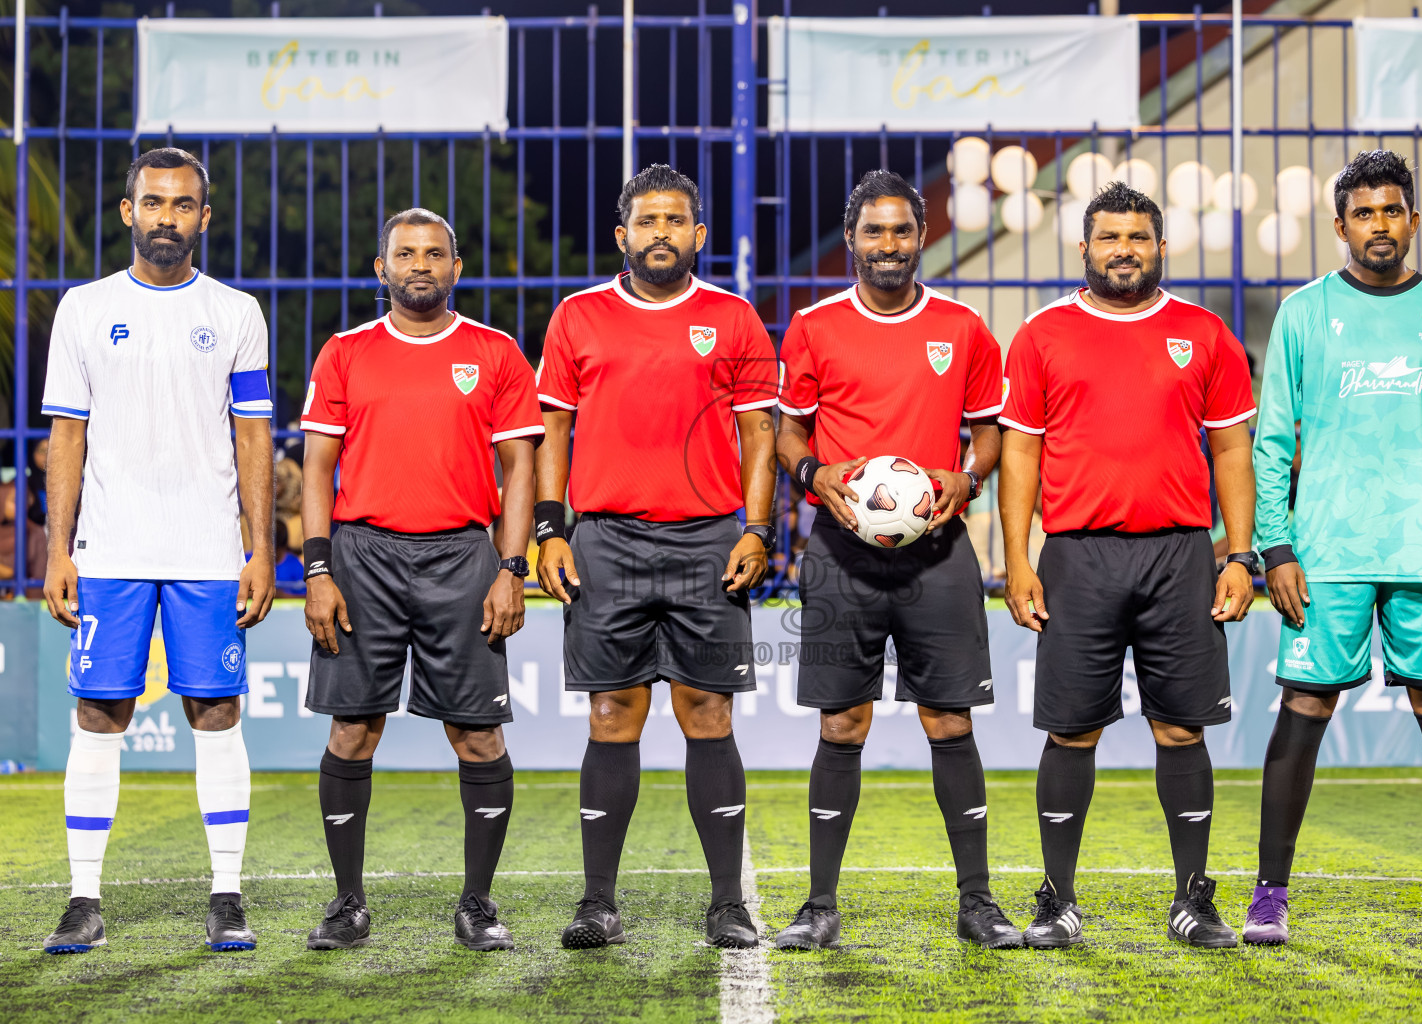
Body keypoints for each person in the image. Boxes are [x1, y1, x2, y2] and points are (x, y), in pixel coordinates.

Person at [1245, 150, 1422, 946]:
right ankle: (1269, 894)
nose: (1379, 225)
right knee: (1305, 705)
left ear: (1413, 220)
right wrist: (1274, 544)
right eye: (1363, 213)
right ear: (1341, 226)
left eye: (1391, 210)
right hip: (1326, 551)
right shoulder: (1304, 313)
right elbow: (1273, 438)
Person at [998, 180, 1258, 950]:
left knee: (1181, 730)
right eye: (1110, 237)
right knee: (1072, 732)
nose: (1124, 250)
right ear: (1084, 248)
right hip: (1078, 557)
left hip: (1180, 554)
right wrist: (1017, 560)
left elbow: (1232, 450)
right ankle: (1057, 899)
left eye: (1138, 237)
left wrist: (1239, 555)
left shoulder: (1204, 333)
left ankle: (1193, 898)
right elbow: (1020, 454)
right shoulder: (1043, 334)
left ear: (1161, 246)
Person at [773, 169, 1023, 951]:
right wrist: (814, 473)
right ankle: (819, 905)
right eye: (874, 231)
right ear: (853, 239)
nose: (889, 243)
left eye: (902, 230)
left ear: (922, 237)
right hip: (840, 555)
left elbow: (989, 434)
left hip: (939, 553)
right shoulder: (813, 326)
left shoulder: (963, 327)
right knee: (841, 721)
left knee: (949, 718)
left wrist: (967, 478)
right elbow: (788, 433)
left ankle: (978, 903)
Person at [38, 147, 276, 954]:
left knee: (216, 712)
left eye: (181, 205)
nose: (165, 217)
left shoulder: (237, 312)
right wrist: (60, 549)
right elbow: (66, 433)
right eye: (153, 202)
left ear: (204, 217)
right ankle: (83, 899)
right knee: (99, 714)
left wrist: (259, 549)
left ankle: (226, 895)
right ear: (128, 211)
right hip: (110, 551)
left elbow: (253, 436)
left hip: (209, 552)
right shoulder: (83, 308)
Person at [535, 164, 777, 951]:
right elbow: (552, 431)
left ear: (699, 234)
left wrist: (758, 528)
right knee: (612, 712)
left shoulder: (734, 318)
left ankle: (726, 903)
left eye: (675, 220)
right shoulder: (578, 316)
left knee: (708, 710)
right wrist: (550, 529)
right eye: (647, 220)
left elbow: (759, 435)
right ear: (623, 235)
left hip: (708, 540)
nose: (661, 232)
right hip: (605, 540)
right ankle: (598, 903)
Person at [299, 208, 542, 952]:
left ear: (456, 267)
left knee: (478, 736)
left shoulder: (495, 353)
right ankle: (347, 903)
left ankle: (478, 904)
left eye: (435, 253)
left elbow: (520, 469)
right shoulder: (345, 352)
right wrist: (317, 568)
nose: (420, 265)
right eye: (405, 254)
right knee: (353, 730)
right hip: (362, 557)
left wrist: (512, 567)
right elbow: (316, 468)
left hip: (464, 557)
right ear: (382, 268)